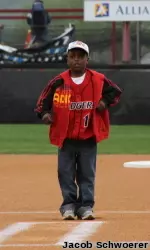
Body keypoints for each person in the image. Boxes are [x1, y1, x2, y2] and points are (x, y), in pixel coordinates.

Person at [35, 41, 122, 220]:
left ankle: (85, 206)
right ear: (67, 59)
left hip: (88, 136)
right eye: (72, 56)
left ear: (87, 59)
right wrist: (44, 114)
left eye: (80, 57)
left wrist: (104, 102)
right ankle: (68, 205)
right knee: (65, 172)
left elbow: (115, 92)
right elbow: (43, 101)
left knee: (87, 173)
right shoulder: (58, 81)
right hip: (66, 137)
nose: (76, 60)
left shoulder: (97, 79)